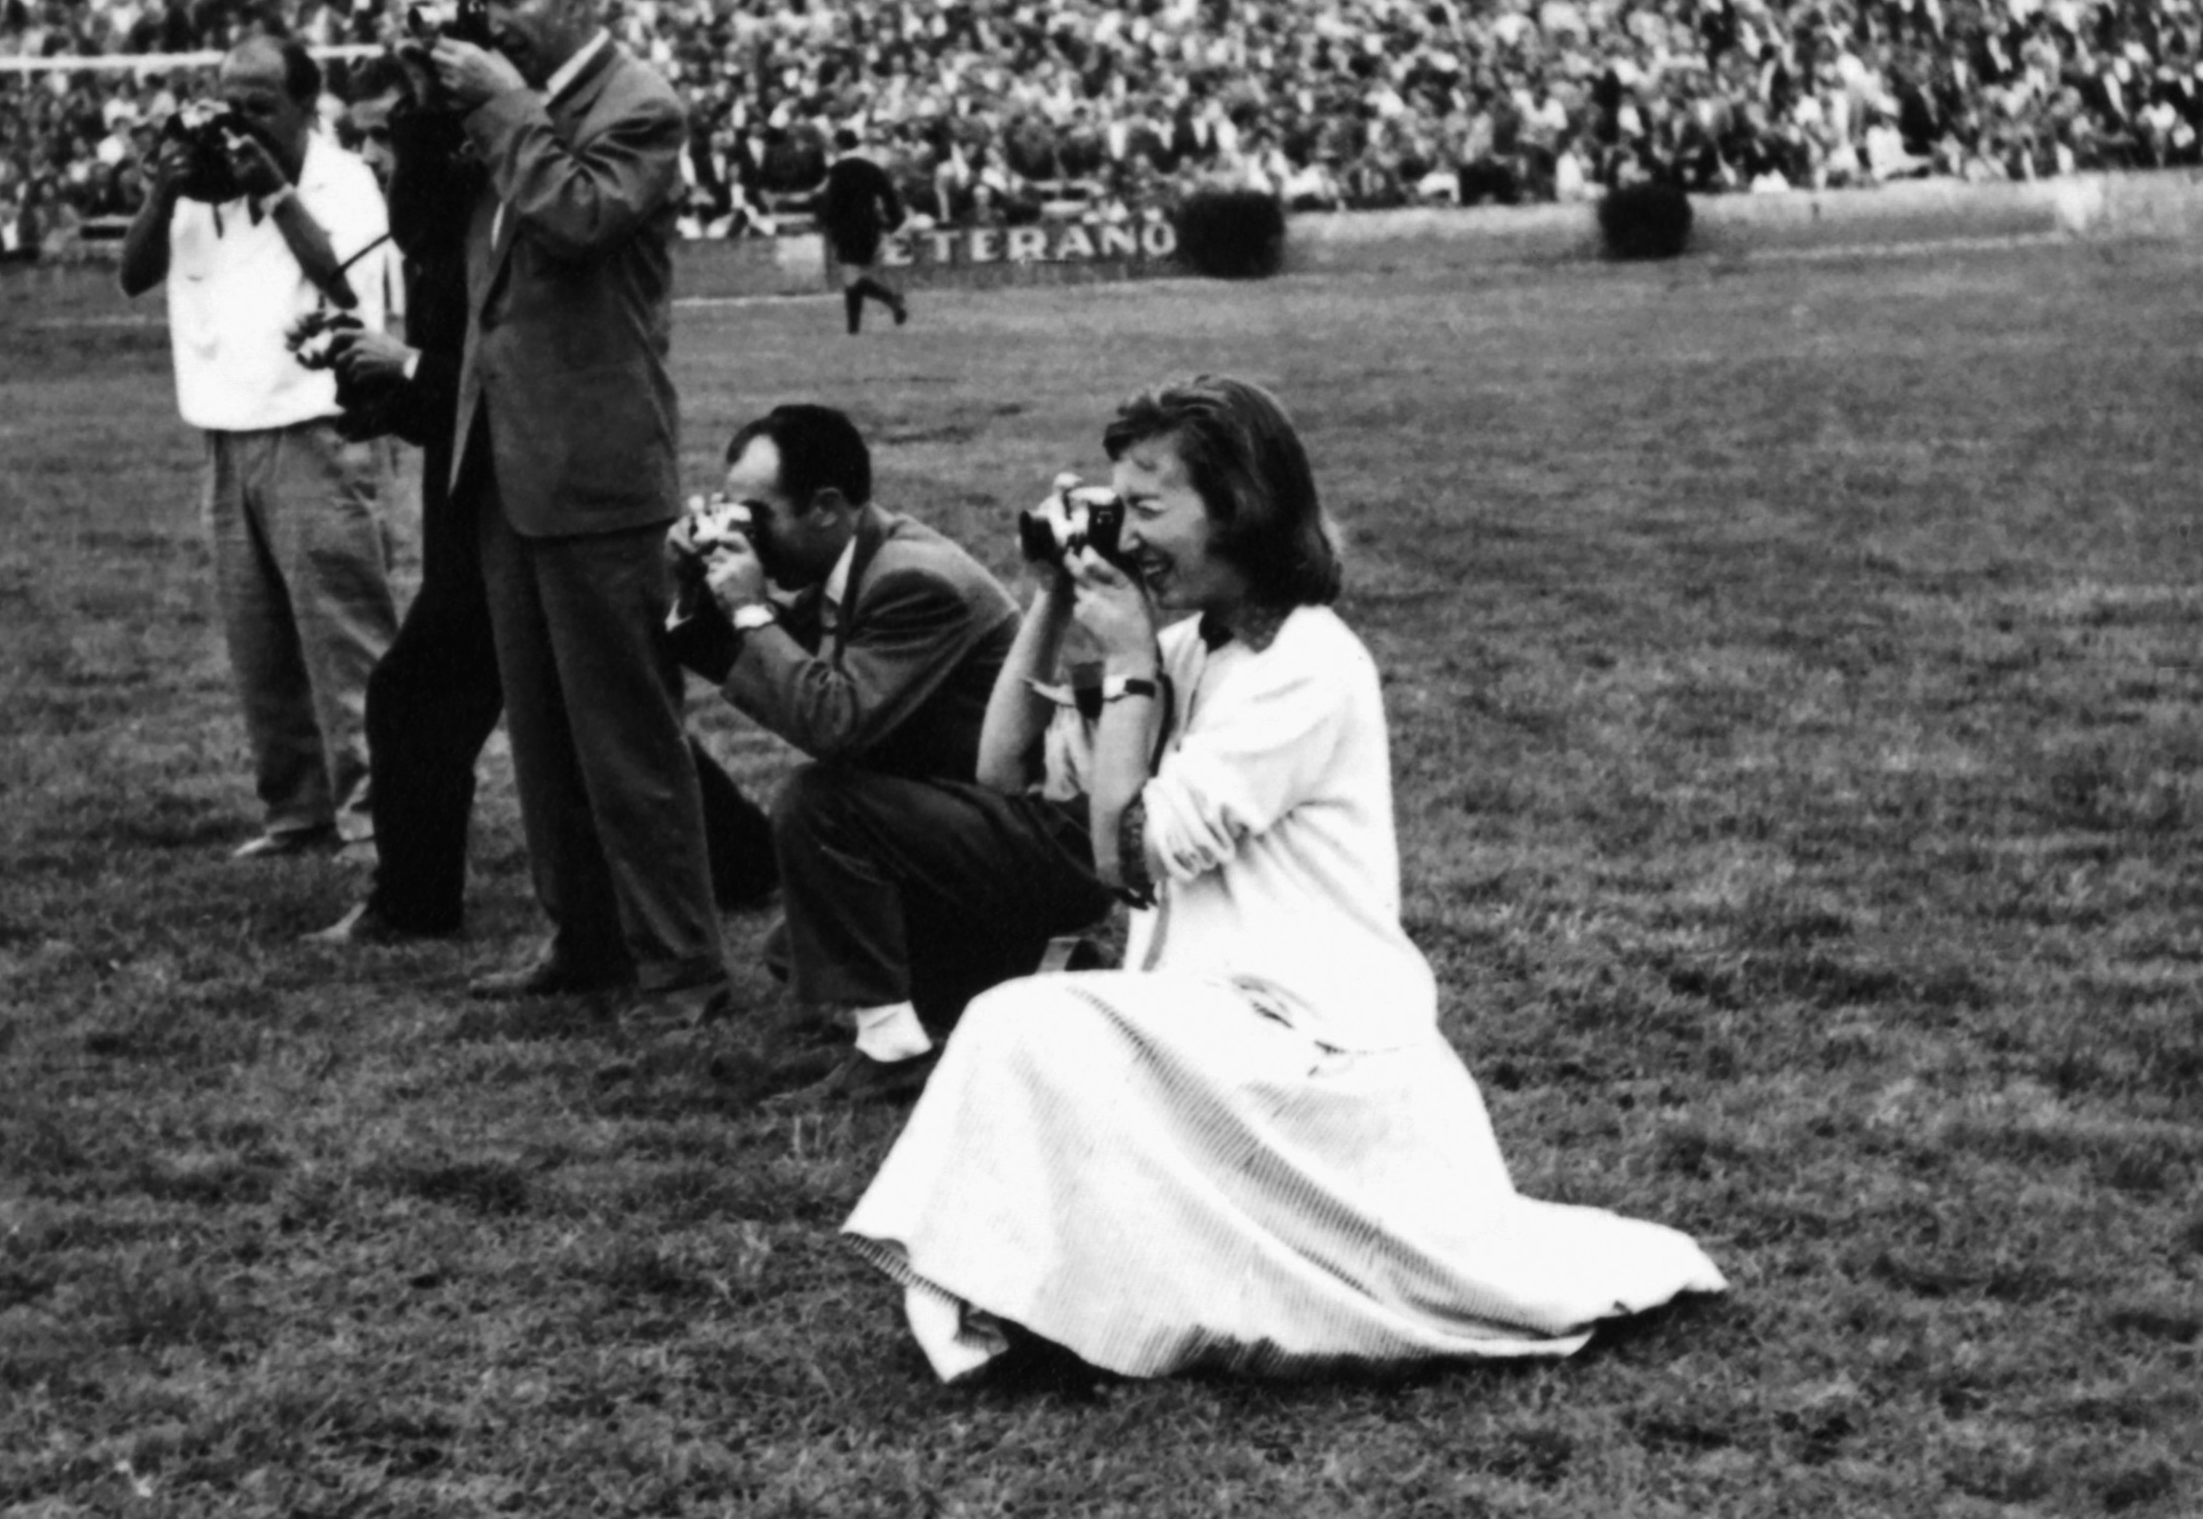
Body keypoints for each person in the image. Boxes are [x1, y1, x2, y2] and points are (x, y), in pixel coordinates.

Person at [841, 375, 1727, 1382]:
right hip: (1214, 1018)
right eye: (1115, 506)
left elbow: (1124, 856)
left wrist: (1129, 662)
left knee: (1018, 1021)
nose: (1125, 536)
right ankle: (1017, 1298)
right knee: (1036, 1029)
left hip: (1318, 1044)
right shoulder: (1195, 644)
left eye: (1146, 507)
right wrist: (1047, 599)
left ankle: (1006, 1305)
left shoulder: (1306, 663)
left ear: (1239, 507)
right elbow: (999, 769)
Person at [305, 68, 772, 947]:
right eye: (367, 136)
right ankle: (746, 859)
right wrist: (365, 373)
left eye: (388, 133)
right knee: (583, 703)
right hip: (480, 499)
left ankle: (416, 902)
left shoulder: (499, 205)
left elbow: (499, 384)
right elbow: (444, 400)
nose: (375, 153)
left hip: (522, 497)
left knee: (443, 699)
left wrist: (401, 367)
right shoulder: (438, 231)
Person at [426, 0, 731, 1027]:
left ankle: (683, 965)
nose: (490, 18)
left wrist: (501, 109)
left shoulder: (639, 103)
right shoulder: (513, 105)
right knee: (545, 731)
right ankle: (583, 939)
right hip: (508, 460)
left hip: (598, 469)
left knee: (626, 732)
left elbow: (578, 216)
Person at [664, 406, 1039, 1097]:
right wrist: (694, 583)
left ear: (825, 508)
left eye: (754, 514)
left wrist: (751, 608)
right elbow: (769, 663)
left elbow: (832, 720)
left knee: (819, 802)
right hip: (952, 819)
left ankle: (895, 1053)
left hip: (1028, 839)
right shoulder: (855, 559)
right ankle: (1037, 968)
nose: (742, 531)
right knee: (797, 949)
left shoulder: (911, 580)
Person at [117, 35, 399, 861]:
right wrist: (163, 194)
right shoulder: (196, 183)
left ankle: (380, 814)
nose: (236, 124)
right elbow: (134, 275)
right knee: (260, 645)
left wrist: (273, 190)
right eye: (226, 103)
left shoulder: (341, 178)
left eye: (258, 108)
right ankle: (296, 811)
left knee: (343, 635)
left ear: (306, 108)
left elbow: (344, 280)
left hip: (316, 425)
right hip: (225, 431)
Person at [815, 127, 908, 333]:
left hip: (846, 226)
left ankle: (886, 303)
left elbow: (830, 201)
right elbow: (889, 197)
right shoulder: (871, 168)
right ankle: (859, 324)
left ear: (838, 145)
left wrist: (825, 222)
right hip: (869, 225)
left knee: (851, 277)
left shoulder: (837, 170)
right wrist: (894, 223)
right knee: (854, 276)